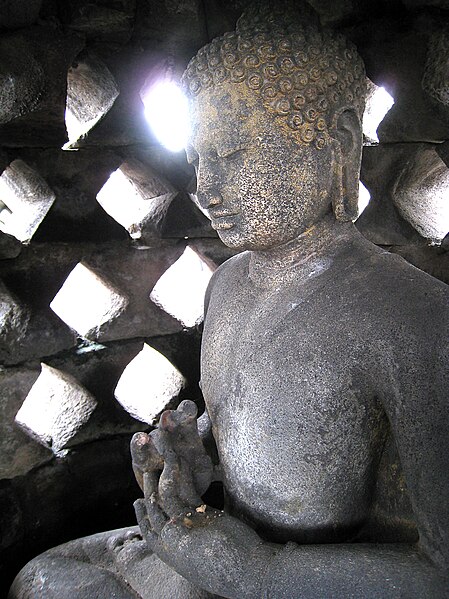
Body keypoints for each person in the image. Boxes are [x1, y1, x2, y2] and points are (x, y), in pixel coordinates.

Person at [9, 2, 448, 598]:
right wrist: (200, 453)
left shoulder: (413, 317)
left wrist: (259, 575)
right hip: (222, 551)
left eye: (235, 154)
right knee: (43, 577)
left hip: (297, 580)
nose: (207, 190)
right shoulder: (227, 282)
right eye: (196, 161)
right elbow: (253, 415)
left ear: (338, 143)